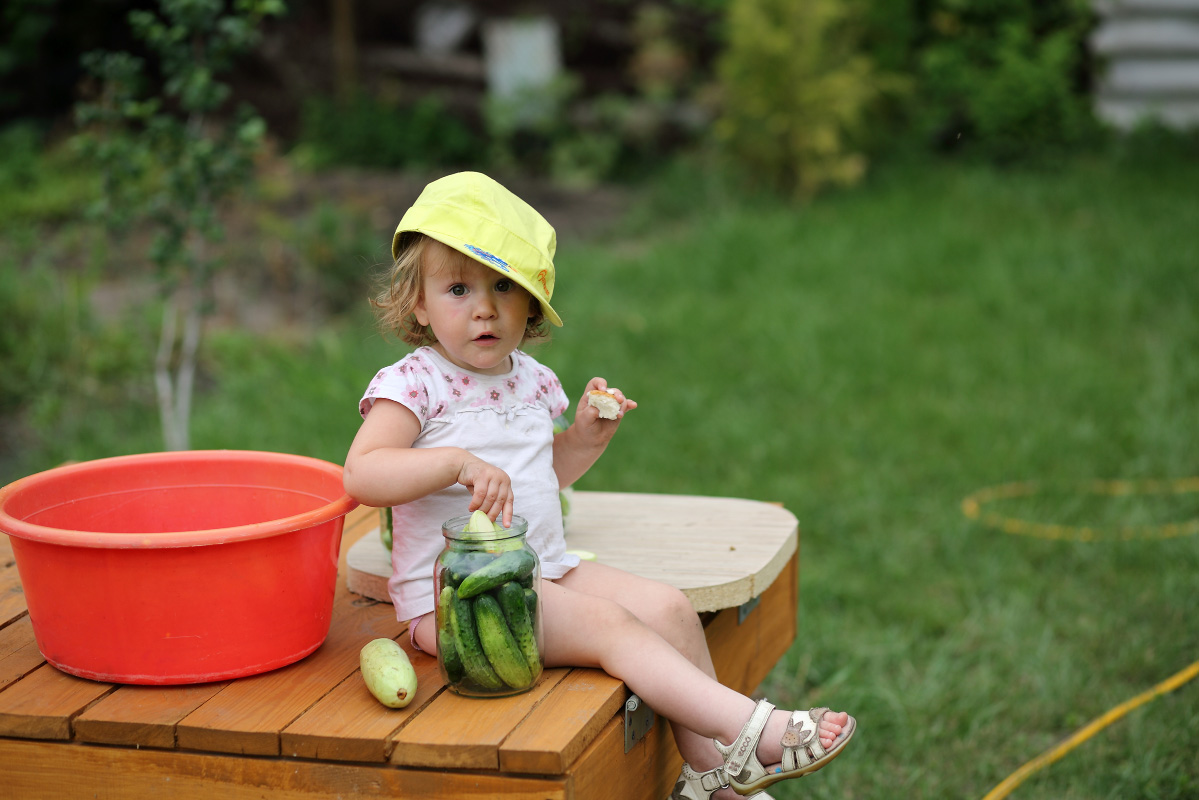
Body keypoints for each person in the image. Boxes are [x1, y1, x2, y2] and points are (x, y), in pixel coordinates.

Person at [343, 172, 855, 799]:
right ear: (418, 304)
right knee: (612, 626)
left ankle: (709, 777)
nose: (485, 307)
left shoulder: (529, 380)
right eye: (458, 288)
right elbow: (362, 474)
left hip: (545, 571)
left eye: (505, 286)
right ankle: (755, 727)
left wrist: (583, 437)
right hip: (463, 607)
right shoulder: (415, 383)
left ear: (530, 303)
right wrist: (454, 462)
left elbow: (542, 476)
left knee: (668, 606)